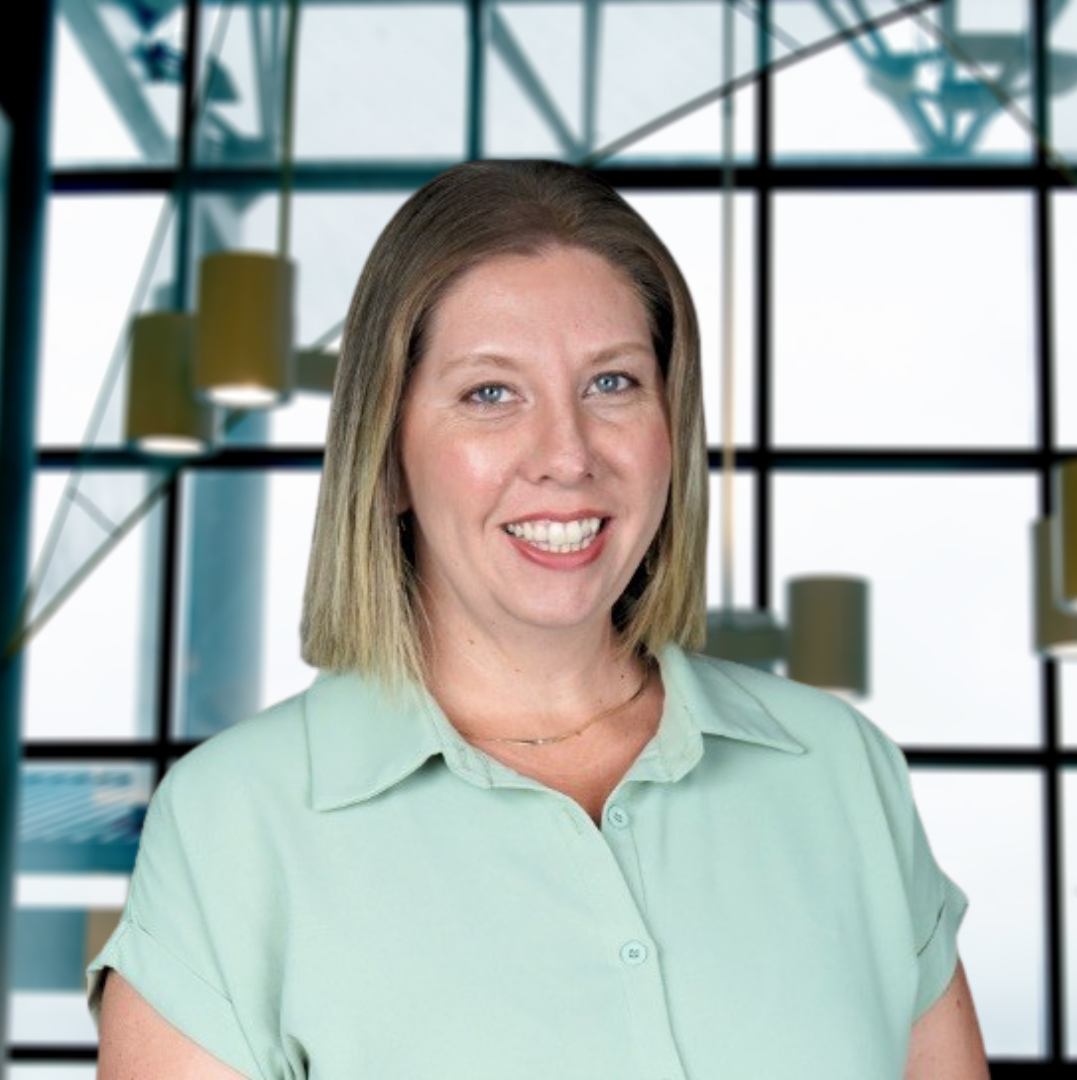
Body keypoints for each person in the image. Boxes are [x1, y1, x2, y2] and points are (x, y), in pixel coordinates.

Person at [89, 159, 988, 1079]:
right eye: (490, 393)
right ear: (387, 459)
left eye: (613, 384)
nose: (567, 456)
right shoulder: (235, 825)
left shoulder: (842, 773)